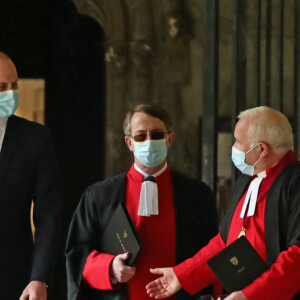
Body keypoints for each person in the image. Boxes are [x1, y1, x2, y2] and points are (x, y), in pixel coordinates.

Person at [65, 103, 218, 300]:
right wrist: (109, 268)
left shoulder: (197, 195)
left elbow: (212, 252)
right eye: (140, 136)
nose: (149, 141)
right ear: (129, 142)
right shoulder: (99, 196)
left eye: (156, 135)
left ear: (169, 139)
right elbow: (77, 252)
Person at [146, 106, 300, 300]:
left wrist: (249, 296)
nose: (233, 147)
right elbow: (224, 241)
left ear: (261, 149)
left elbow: (298, 257)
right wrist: (182, 274)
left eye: (238, 141)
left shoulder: (295, 183)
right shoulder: (247, 179)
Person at [0, 52, 62, 299]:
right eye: (1, 86)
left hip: (15, 278)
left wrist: (40, 278)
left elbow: (49, 214)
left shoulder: (35, 139)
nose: (10, 93)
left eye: (14, 85)